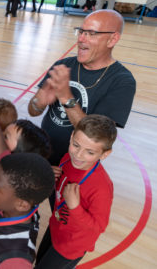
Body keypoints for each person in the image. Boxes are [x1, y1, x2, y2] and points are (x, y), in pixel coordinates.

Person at [27, 9, 136, 166]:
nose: (81, 39)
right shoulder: (63, 65)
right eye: (81, 31)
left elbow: (95, 136)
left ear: (112, 39)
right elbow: (33, 111)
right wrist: (39, 101)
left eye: (91, 33)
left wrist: (65, 96)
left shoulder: (122, 81)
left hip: (76, 165)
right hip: (43, 156)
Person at [35, 114, 117, 268]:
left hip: (73, 245)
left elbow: (98, 227)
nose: (78, 155)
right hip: (56, 226)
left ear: (105, 154)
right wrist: (50, 177)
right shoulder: (67, 158)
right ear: (71, 136)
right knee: (39, 262)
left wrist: (75, 207)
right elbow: (60, 190)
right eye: (76, 144)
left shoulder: (101, 188)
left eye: (90, 152)